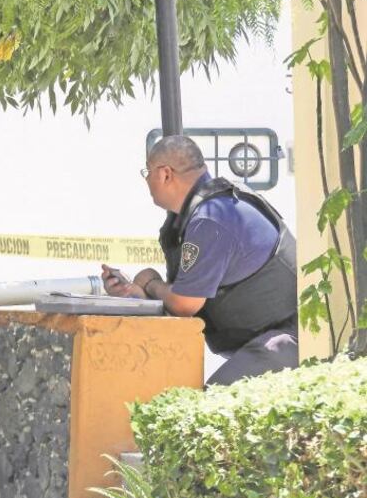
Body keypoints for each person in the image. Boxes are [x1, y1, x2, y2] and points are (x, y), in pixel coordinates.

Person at [102, 135, 299, 385]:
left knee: (209, 413)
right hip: (273, 338)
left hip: (286, 339)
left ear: (164, 174)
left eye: (147, 172)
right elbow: (182, 299)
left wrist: (150, 282)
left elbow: (185, 304)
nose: (147, 181)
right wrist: (136, 294)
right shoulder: (210, 207)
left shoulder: (210, 218)